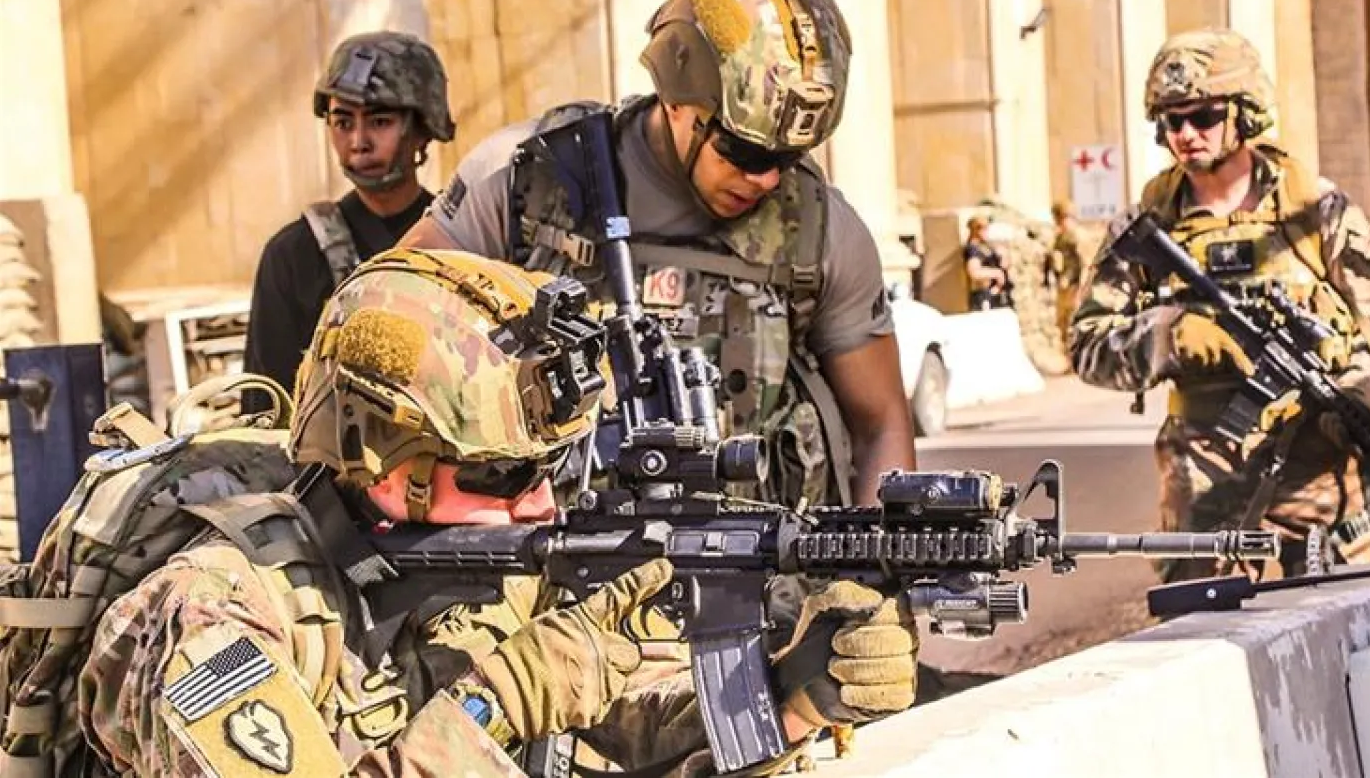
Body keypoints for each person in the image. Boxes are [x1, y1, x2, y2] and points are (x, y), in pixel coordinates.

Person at [77, 248, 919, 777]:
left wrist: (792, 695)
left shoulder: (486, 574)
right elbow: (520, 699)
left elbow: (617, 732)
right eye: (504, 472)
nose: (540, 499)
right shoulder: (213, 618)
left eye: (554, 467)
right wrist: (499, 699)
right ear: (381, 459)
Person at [399, 0, 914, 510]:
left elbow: (881, 424)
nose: (765, 178)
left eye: (788, 158)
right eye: (742, 150)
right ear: (676, 101)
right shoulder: (522, 181)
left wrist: (869, 580)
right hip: (544, 580)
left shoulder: (820, 230)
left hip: (760, 584)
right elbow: (392, 327)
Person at [1069, 28, 1370, 580]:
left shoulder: (1313, 210)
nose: (1186, 134)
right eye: (1171, 120)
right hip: (1204, 485)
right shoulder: (1147, 226)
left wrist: (1354, 393)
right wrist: (1170, 336)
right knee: (1201, 644)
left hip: (1318, 482)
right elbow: (1086, 345)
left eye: (1203, 117)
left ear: (1245, 113)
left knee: (1342, 637)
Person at [242, 31, 454, 413]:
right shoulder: (293, 255)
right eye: (342, 123)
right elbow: (265, 412)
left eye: (380, 121)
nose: (358, 141)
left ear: (424, 128)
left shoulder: (461, 240)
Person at [1045, 200, 1083, 339]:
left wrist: (1081, 288)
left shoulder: (1077, 237)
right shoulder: (1060, 238)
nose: (1058, 223)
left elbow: (1085, 264)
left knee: (1075, 326)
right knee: (1063, 327)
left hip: (1076, 288)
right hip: (1064, 288)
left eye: (1061, 219)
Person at [962, 214, 1011, 312]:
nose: (987, 232)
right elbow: (974, 272)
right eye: (984, 229)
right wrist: (997, 274)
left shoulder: (984, 247)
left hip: (994, 294)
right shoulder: (973, 249)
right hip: (984, 295)